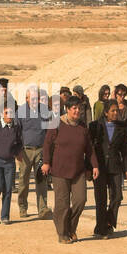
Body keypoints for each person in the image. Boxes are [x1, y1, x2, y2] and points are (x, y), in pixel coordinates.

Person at [42, 98, 99, 243]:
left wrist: (95, 165)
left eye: (79, 108)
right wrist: (46, 162)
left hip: (78, 170)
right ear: (67, 109)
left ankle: (70, 228)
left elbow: (89, 149)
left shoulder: (82, 127)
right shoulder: (56, 124)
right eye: (74, 108)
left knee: (81, 200)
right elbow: (47, 144)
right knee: (63, 204)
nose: (77, 111)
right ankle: (62, 234)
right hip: (59, 171)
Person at [90, 95, 127, 236]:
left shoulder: (121, 127)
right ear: (106, 112)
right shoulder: (95, 126)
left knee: (117, 197)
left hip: (115, 166)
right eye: (112, 111)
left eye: (117, 111)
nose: (115, 113)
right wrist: (88, 167)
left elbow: (124, 150)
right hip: (99, 167)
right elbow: (89, 148)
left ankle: (108, 222)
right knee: (101, 199)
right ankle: (101, 229)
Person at [15, 86, 52, 218]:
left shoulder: (45, 111)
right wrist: (17, 151)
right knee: (23, 180)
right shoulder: (20, 111)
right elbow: (16, 132)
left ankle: (42, 209)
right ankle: (22, 207)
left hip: (41, 150)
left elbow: (50, 132)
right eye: (32, 98)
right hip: (25, 151)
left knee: (41, 179)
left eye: (37, 98)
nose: (35, 101)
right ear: (26, 99)